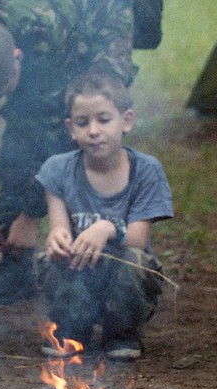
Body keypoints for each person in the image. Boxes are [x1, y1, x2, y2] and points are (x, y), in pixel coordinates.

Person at [0, 0, 164, 308]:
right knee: (20, 136)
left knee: (91, 127)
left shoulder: (43, 34)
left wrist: (29, 217)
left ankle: (106, 265)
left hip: (101, 6)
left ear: (19, 57)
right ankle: (16, 271)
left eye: (7, 88)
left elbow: (58, 134)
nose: (3, 100)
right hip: (49, 8)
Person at [39, 70, 173, 360]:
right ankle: (71, 329)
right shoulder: (58, 169)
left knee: (136, 261)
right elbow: (58, 226)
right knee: (51, 259)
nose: (93, 131)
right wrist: (57, 239)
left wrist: (107, 227)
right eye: (82, 122)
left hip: (123, 279)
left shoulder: (146, 171)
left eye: (104, 119)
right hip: (79, 275)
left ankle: (122, 333)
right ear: (70, 128)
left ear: (126, 121)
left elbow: (137, 239)